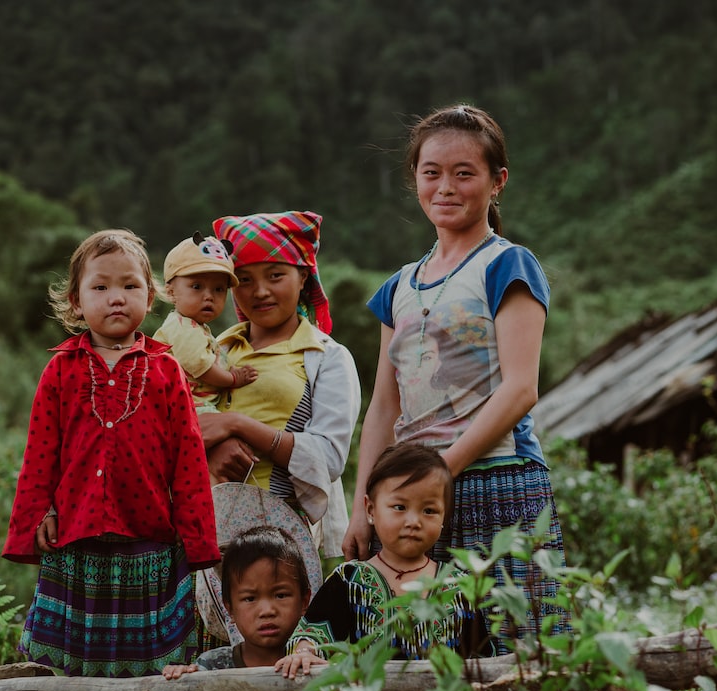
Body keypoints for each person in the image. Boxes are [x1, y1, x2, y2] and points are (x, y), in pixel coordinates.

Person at [341, 104, 568, 652]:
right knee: (432, 657)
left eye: (464, 173)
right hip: (417, 498)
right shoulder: (399, 285)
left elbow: (520, 388)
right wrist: (363, 502)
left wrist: (440, 471)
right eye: (431, 172)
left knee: (523, 651)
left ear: (497, 182)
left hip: (499, 480)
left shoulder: (507, 264)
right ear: (414, 179)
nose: (446, 186)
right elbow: (383, 408)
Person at [2, 228, 220, 678]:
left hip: (150, 539)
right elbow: (41, 452)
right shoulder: (60, 370)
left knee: (148, 673)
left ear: (150, 296)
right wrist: (37, 513)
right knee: (71, 674)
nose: (116, 297)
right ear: (77, 302)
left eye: (129, 286)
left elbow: (189, 462)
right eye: (100, 287)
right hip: (76, 538)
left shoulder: (166, 371)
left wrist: (198, 541)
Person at [200, 211, 361, 559]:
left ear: (303, 276)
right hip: (202, 532)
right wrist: (210, 452)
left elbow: (329, 458)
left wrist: (236, 425)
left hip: (281, 538)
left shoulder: (327, 358)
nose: (260, 291)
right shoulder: (210, 354)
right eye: (243, 279)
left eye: (275, 276)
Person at [276, 443, 492, 680]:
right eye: (399, 507)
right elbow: (314, 633)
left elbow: (481, 660)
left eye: (429, 510)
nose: (413, 521)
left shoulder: (459, 587)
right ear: (370, 510)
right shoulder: (350, 580)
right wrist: (304, 652)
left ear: (444, 518)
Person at [163, 525, 312, 691]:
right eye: (250, 598)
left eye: (281, 595)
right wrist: (178, 686)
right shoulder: (212, 667)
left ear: (304, 601)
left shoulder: (310, 664)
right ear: (230, 608)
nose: (267, 611)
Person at [153, 231, 258, 413]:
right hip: (184, 406)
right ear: (171, 292)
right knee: (231, 436)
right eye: (196, 287)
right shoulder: (180, 327)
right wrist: (234, 378)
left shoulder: (197, 328)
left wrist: (231, 368)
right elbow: (203, 368)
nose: (209, 296)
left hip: (197, 404)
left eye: (219, 289)